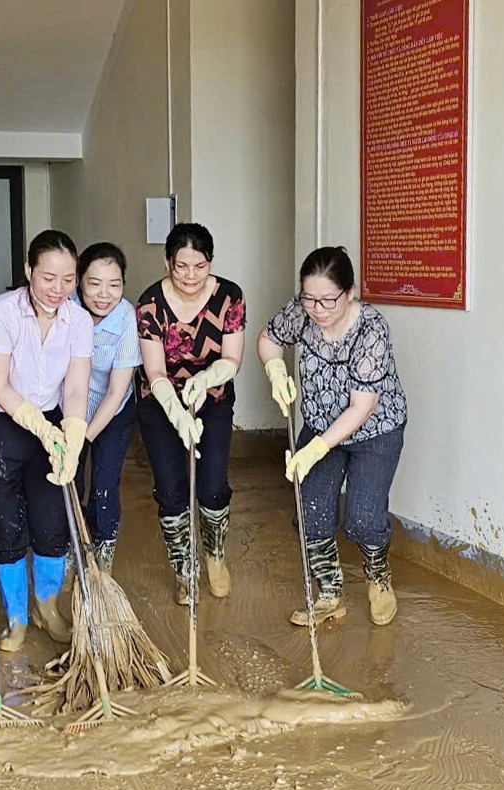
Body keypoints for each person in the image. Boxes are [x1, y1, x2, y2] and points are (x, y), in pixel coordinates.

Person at [258, 246, 407, 627]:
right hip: (320, 423)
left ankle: (378, 578)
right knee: (311, 511)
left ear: (350, 292)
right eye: (309, 299)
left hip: (374, 430)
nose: (318, 309)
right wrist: (275, 368)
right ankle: (328, 594)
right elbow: (269, 338)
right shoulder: (301, 312)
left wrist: (315, 450)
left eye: (328, 300)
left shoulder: (371, 329)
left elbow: (362, 407)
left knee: (363, 516)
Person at [0, 230, 93, 652]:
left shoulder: (78, 320)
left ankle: (48, 607)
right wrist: (37, 425)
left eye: (68, 279)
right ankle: (17, 617)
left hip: (56, 424)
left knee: (52, 523)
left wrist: (72, 434)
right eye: (48, 278)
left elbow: (77, 387)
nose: (58, 289)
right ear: (28, 272)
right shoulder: (0, 313)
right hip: (7, 425)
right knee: (6, 524)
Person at [137, 222, 245, 605]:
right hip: (161, 406)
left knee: (213, 485)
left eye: (199, 266)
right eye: (181, 266)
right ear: (168, 262)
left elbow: (232, 357)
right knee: (171, 490)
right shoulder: (150, 304)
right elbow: (153, 371)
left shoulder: (229, 296)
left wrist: (209, 377)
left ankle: (215, 556)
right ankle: (185, 571)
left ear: (209, 263)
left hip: (212, 401)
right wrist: (174, 408)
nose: (190, 275)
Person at [73, 242, 141, 573]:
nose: (104, 294)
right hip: (70, 405)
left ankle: (103, 559)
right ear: (79, 281)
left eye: (114, 285)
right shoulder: (66, 309)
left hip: (113, 409)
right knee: (69, 479)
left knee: (103, 481)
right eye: (94, 283)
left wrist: (84, 438)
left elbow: (116, 391)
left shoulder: (127, 317)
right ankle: (72, 547)